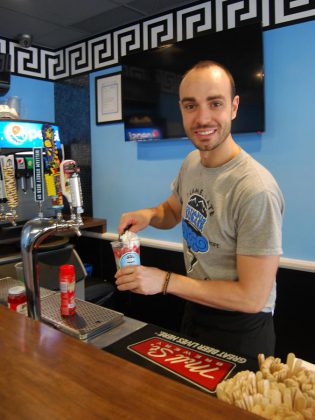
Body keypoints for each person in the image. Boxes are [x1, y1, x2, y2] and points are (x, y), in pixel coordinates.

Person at [115, 60, 284, 359]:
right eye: (191, 106)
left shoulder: (255, 188)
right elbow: (173, 210)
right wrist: (149, 216)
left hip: (241, 327)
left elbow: (252, 297)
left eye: (215, 103)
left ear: (233, 107)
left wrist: (165, 281)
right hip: (195, 309)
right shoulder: (192, 162)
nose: (202, 118)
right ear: (180, 109)